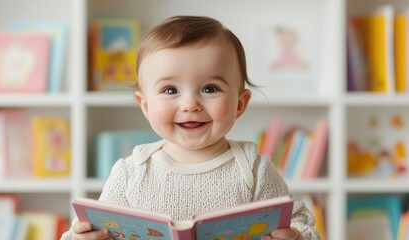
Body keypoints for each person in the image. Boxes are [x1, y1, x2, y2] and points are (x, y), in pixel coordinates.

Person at [62, 15, 321, 240]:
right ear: (145, 106)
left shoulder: (254, 168)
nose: (190, 104)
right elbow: (94, 227)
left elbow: (301, 224)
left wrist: (296, 236)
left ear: (240, 104)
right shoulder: (132, 172)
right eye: (170, 90)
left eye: (210, 88)